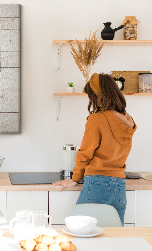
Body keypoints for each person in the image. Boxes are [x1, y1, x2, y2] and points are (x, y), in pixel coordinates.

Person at [53, 73, 136, 225]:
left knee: (79, 230)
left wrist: (75, 179)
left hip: (97, 184)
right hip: (119, 186)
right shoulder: (127, 120)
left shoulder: (97, 119)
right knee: (114, 238)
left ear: (98, 96)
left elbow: (85, 154)